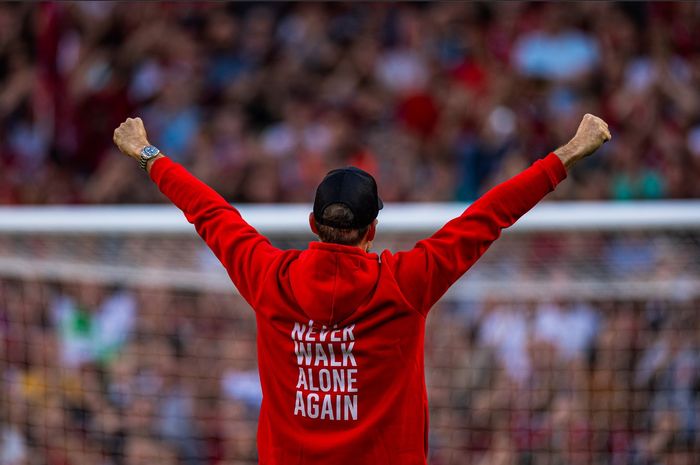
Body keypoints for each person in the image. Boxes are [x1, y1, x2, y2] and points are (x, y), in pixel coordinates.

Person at [113, 113, 611, 465]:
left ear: (311, 222)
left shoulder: (269, 277)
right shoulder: (406, 282)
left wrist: (147, 153)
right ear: (372, 229)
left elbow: (209, 212)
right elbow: (487, 217)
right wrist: (565, 155)